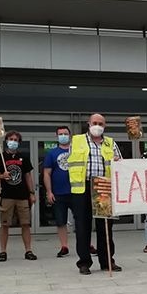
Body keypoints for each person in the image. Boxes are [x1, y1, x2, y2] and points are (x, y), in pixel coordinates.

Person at [68, 114, 123, 275]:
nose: (97, 126)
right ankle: (84, 262)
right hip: (82, 188)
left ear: (104, 126)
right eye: (94, 123)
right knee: (82, 227)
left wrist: (117, 161)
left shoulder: (110, 143)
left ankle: (107, 261)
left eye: (100, 124)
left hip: (103, 186)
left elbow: (119, 162)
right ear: (88, 124)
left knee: (105, 226)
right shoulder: (77, 141)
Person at [0, 131, 36, 262]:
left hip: (22, 196)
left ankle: (28, 250)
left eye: (16, 140)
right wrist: (2, 176)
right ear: (6, 140)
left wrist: (32, 193)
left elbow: (28, 176)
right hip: (7, 196)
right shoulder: (0, 157)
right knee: (5, 225)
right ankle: (3, 251)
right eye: (11, 139)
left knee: (25, 224)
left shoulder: (23, 157)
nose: (13, 141)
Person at [43, 126, 75, 258]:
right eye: (60, 134)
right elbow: (46, 173)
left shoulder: (77, 151)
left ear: (70, 135)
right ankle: (64, 246)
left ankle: (87, 244)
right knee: (60, 221)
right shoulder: (52, 153)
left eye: (65, 133)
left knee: (81, 220)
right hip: (58, 193)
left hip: (76, 191)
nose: (63, 136)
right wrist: (49, 192)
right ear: (56, 136)